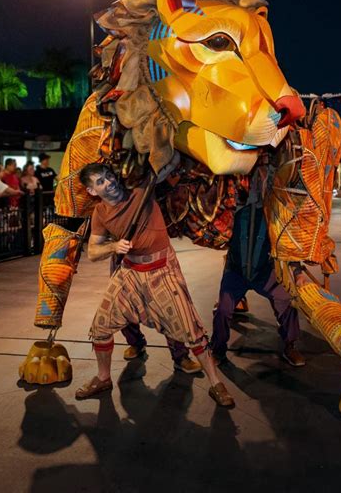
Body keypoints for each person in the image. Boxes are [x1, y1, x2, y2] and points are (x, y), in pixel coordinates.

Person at [75, 163, 234, 407]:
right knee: (101, 326)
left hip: (161, 269)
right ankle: (104, 377)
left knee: (191, 329)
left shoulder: (141, 191)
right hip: (130, 272)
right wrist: (113, 246)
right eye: (100, 182)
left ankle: (216, 383)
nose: (109, 182)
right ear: (92, 191)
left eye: (108, 176)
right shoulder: (100, 213)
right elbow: (93, 252)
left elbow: (168, 162)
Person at [211, 203, 305, 368]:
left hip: (264, 272)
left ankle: (290, 345)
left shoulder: (274, 210)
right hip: (236, 272)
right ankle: (217, 350)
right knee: (223, 311)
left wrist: (298, 272)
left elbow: (287, 242)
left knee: (286, 302)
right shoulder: (232, 206)